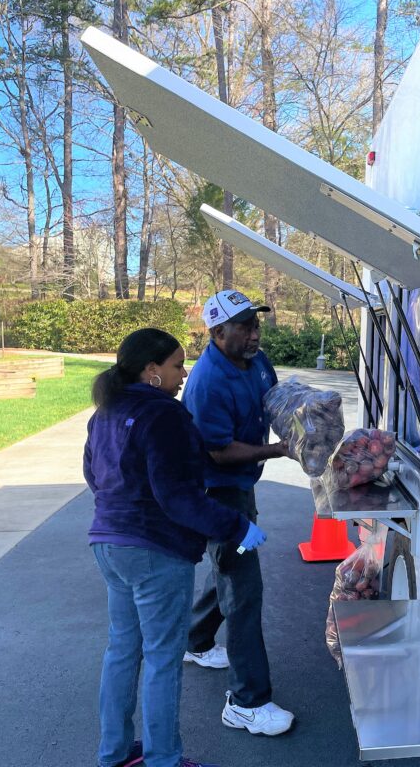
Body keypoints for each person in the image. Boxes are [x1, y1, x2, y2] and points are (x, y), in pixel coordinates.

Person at [85, 328, 269, 767]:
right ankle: (163, 758)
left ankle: (113, 754)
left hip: (109, 544)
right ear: (152, 370)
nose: (183, 374)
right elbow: (178, 496)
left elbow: (94, 477)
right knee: (164, 660)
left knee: (122, 650)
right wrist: (236, 526)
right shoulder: (164, 415)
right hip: (154, 550)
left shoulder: (105, 412)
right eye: (176, 365)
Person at [180, 290, 295, 737]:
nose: (253, 333)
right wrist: (279, 449)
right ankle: (247, 701)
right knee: (244, 590)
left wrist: (305, 419)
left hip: (243, 484)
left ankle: (195, 638)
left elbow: (276, 400)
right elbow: (220, 451)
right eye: (243, 326)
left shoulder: (258, 359)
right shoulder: (208, 381)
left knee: (228, 570)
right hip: (218, 491)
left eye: (256, 324)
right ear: (217, 331)